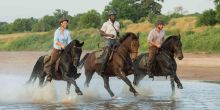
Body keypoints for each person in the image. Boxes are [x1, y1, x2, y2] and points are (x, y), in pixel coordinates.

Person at [99, 10, 120, 75]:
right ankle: (102, 69)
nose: (114, 16)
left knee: (122, 50)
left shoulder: (117, 23)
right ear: (109, 16)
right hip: (108, 40)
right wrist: (109, 35)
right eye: (112, 15)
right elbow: (101, 33)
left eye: (114, 15)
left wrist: (119, 37)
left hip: (115, 40)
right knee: (107, 52)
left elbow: (118, 32)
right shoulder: (105, 24)